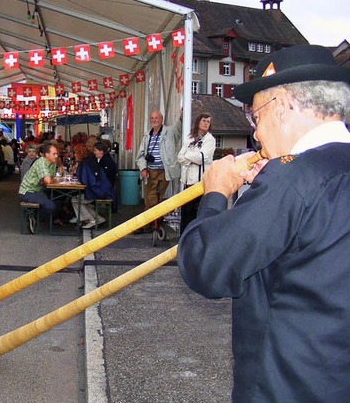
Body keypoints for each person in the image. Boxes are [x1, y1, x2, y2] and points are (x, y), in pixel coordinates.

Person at [177, 44, 350, 402]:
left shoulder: (292, 177)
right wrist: (265, 190)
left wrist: (216, 194)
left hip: (288, 384)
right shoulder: (312, 173)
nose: (255, 134)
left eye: (256, 118)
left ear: (283, 107)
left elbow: (205, 265)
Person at [135, 110, 182, 231]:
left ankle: (143, 224)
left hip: (163, 171)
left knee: (153, 197)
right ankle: (155, 222)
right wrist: (143, 168)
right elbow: (140, 156)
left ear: (162, 120)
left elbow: (179, 128)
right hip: (149, 172)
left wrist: (181, 116)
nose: (154, 120)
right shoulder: (147, 135)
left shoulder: (169, 131)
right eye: (152, 118)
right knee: (149, 200)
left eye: (156, 118)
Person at [176, 112, 215, 234]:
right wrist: (192, 157)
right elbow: (180, 157)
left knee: (197, 214)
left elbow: (202, 158)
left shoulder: (210, 140)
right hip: (188, 182)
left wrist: (188, 156)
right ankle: (183, 239)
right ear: (198, 121)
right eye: (204, 120)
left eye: (208, 122)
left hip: (201, 182)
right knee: (186, 214)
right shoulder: (189, 139)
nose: (206, 123)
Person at [71, 141, 117, 228]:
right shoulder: (91, 161)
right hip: (105, 190)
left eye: (75, 153)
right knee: (78, 199)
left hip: (98, 192)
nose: (94, 152)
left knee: (75, 200)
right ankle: (96, 218)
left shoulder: (85, 163)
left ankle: (91, 219)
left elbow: (84, 181)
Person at [18, 142, 59, 230]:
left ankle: (46, 218)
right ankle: (34, 218)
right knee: (51, 205)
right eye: (54, 154)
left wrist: (46, 180)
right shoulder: (41, 162)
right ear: (47, 155)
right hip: (28, 191)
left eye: (57, 153)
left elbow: (51, 178)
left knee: (58, 197)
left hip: (38, 189)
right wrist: (47, 180)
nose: (56, 156)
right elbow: (48, 181)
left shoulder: (52, 163)